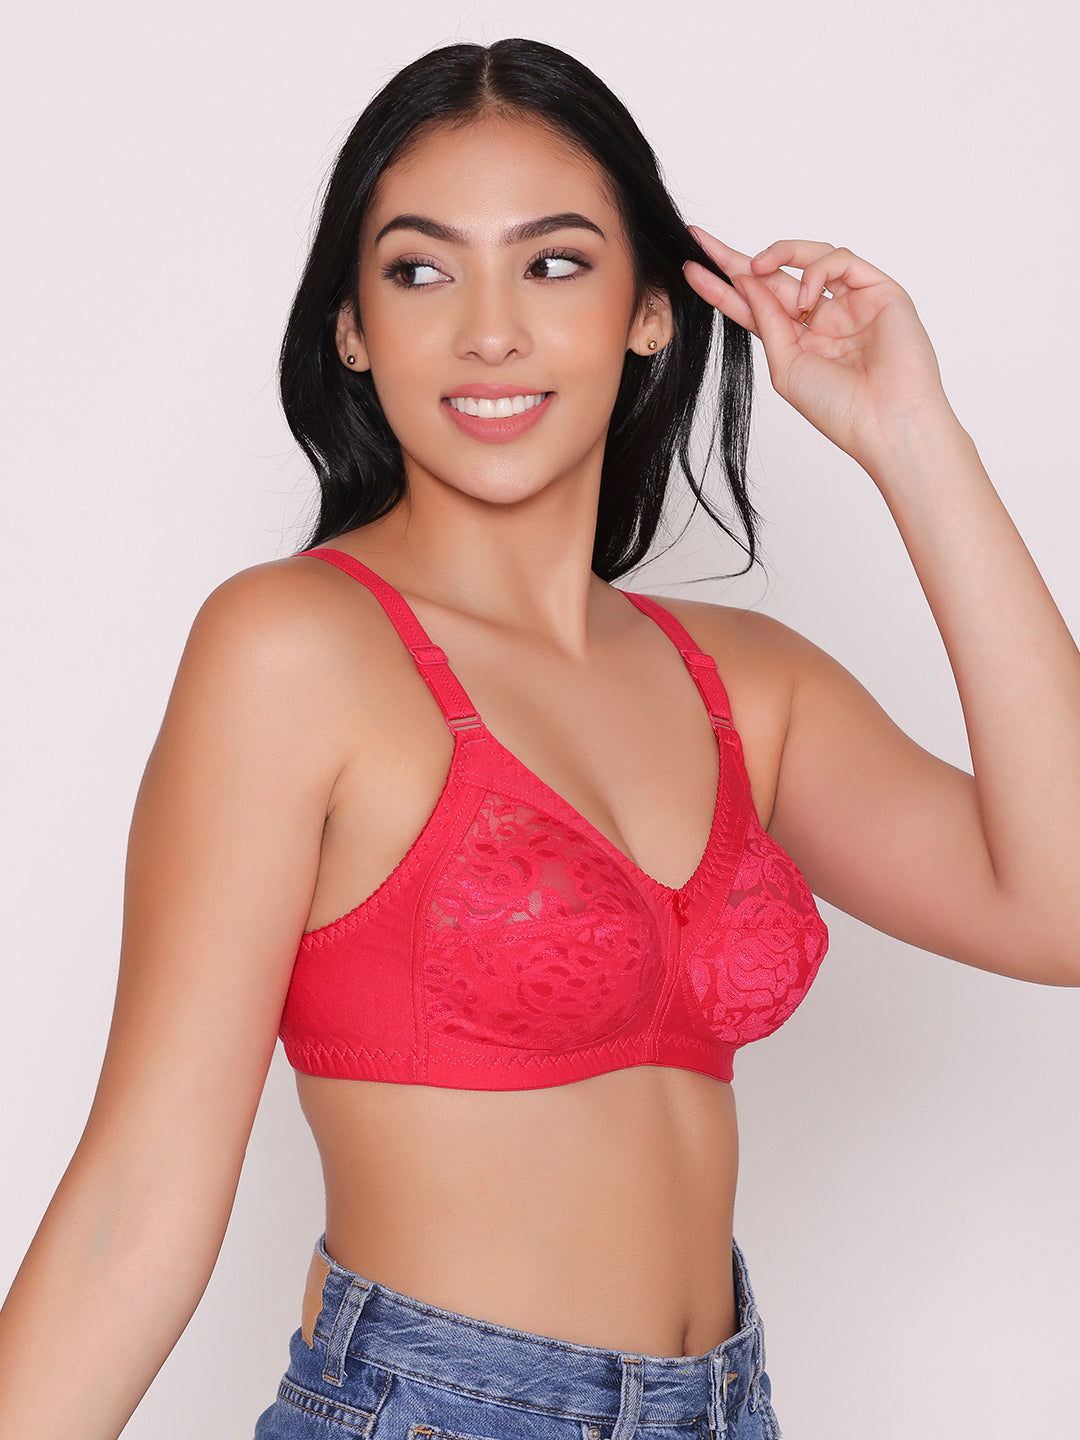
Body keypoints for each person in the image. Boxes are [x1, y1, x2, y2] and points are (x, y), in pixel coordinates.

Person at [1, 35, 1077, 1440]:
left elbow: (1061, 907)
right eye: (421, 271)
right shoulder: (294, 650)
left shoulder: (746, 684)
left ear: (650, 311)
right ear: (351, 327)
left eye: (555, 263)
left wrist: (912, 439)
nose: (489, 332)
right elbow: (134, 1206)